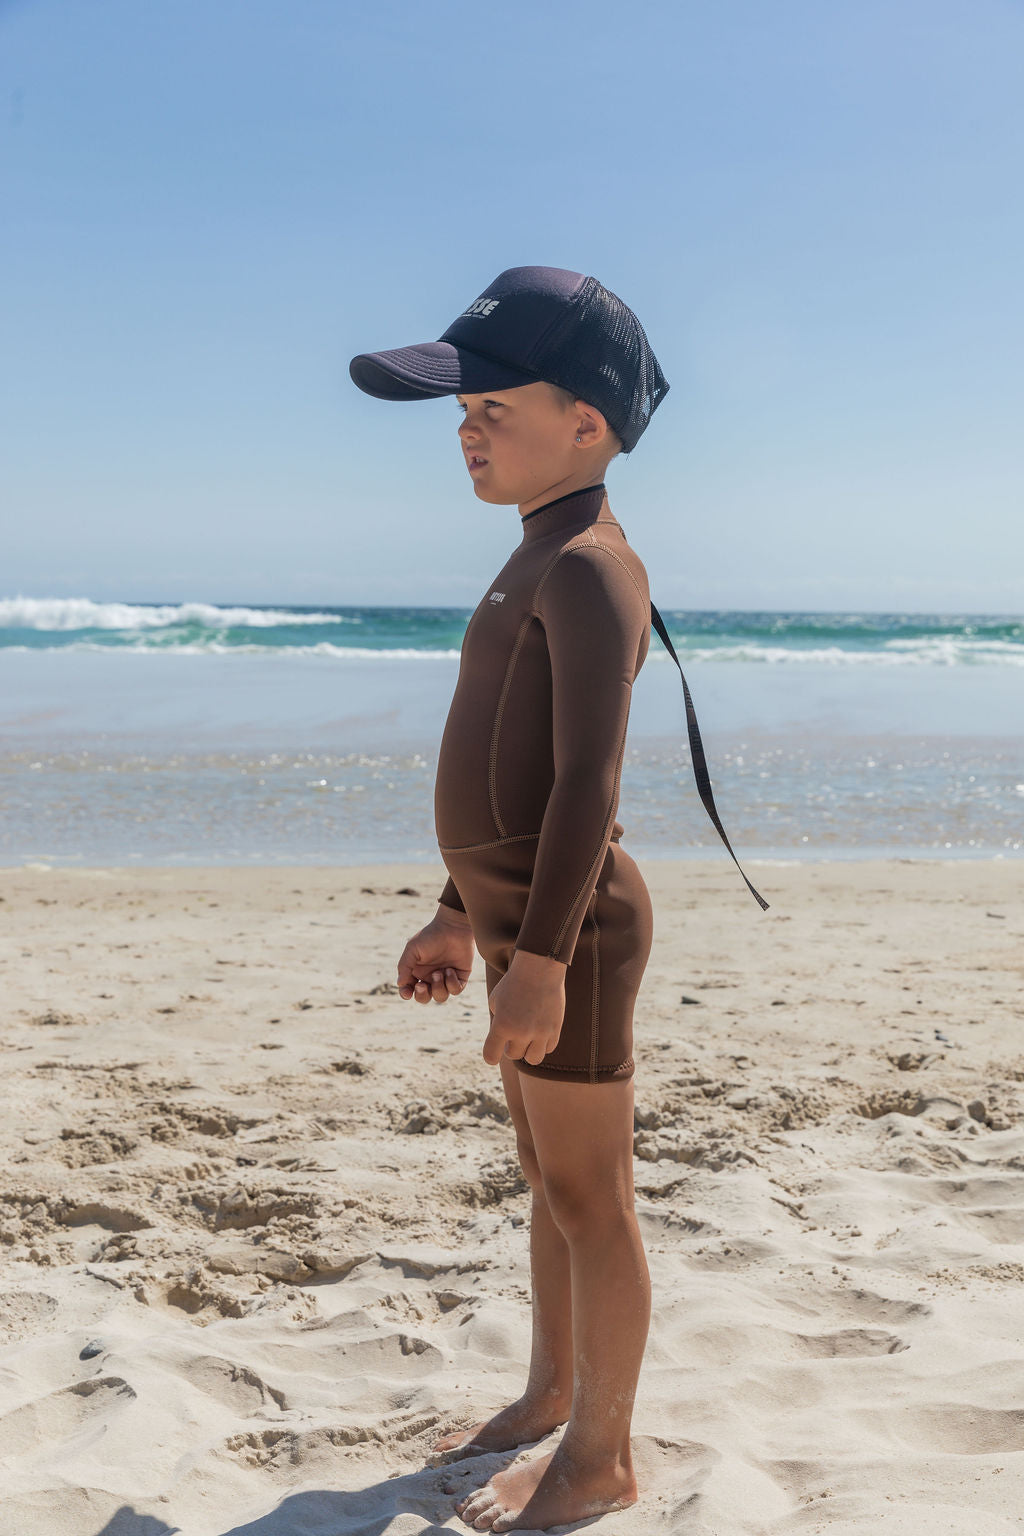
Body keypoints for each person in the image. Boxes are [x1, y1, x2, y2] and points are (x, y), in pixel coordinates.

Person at [349, 265, 718, 1532]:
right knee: (542, 1172)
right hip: (517, 920)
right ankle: (551, 1390)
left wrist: (544, 958)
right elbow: (504, 759)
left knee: (589, 1195)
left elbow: (581, 785)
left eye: (492, 408)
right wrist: (460, 912)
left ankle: (599, 1455)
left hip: (576, 931)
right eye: (462, 411)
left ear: (586, 422)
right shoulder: (538, 551)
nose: (467, 430)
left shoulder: (592, 565)